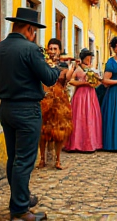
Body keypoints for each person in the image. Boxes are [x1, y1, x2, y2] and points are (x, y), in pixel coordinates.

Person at [0, 7, 60, 221]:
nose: (33, 35)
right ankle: (19, 211)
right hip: (27, 110)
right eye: (34, 31)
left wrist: (10, 83)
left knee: (14, 158)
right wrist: (59, 69)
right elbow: (48, 78)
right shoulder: (31, 49)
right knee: (25, 160)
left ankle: (22, 198)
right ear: (29, 29)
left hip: (6, 108)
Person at [38, 38, 74, 170]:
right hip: (45, 100)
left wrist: (71, 68)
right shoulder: (42, 63)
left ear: (59, 51)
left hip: (60, 102)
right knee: (43, 130)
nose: (52, 51)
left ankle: (58, 160)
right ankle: (42, 159)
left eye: (55, 49)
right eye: (50, 48)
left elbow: (67, 80)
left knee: (60, 130)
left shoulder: (63, 66)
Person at [64, 48, 102, 152]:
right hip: (81, 95)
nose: (89, 60)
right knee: (79, 117)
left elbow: (98, 82)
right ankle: (77, 143)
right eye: (88, 58)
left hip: (91, 95)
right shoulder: (78, 69)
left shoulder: (92, 69)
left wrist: (95, 81)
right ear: (83, 59)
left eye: (90, 58)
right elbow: (71, 81)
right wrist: (84, 83)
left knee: (90, 117)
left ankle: (91, 143)